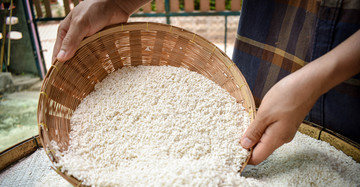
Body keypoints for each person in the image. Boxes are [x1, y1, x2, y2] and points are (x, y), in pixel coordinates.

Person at [52, 0, 360, 165]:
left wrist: (318, 78)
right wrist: (119, 2)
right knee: (249, 131)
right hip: (270, 46)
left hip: (351, 77)